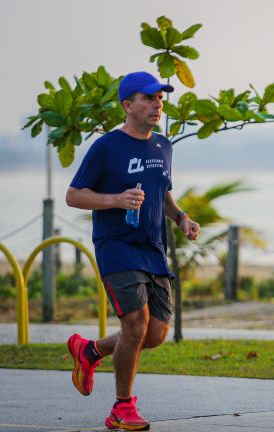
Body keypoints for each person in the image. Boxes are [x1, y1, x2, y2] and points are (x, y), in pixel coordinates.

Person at [65, 71, 201, 431]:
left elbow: (163, 192)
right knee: (135, 324)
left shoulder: (164, 146)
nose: (157, 104)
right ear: (128, 105)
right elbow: (74, 195)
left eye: (160, 98)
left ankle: (90, 351)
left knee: (154, 334)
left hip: (152, 250)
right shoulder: (106, 147)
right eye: (148, 98)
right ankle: (121, 408)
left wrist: (181, 218)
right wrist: (115, 199)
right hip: (117, 246)